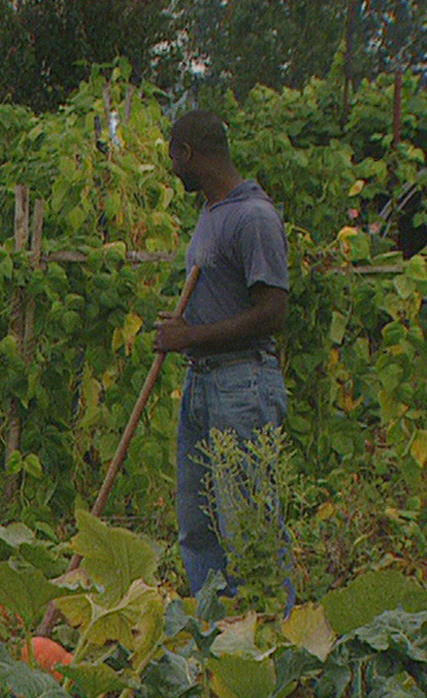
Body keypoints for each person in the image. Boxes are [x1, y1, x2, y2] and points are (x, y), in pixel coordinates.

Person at [153, 110, 293, 606]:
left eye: (173, 157)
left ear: (187, 154)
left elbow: (273, 312)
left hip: (242, 384)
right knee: (199, 523)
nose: (172, 169)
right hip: (203, 383)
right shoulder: (213, 212)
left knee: (248, 521)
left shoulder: (252, 217)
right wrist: (184, 338)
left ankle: (269, 635)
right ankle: (217, 633)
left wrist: (189, 336)